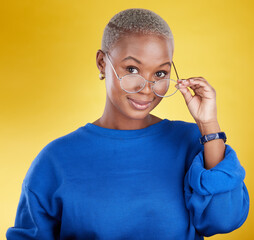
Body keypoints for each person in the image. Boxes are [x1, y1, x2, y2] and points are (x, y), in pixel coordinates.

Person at [6, 8, 249, 240]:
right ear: (102, 62)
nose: (146, 88)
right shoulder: (55, 160)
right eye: (132, 69)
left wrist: (209, 125)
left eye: (160, 73)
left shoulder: (191, 142)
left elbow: (223, 221)